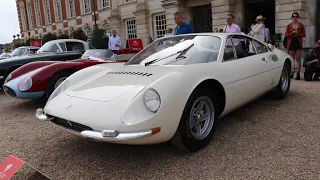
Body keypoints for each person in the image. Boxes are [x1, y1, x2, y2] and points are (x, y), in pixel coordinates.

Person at [285, 12, 306, 80]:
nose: (295, 18)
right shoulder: (289, 25)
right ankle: (291, 73)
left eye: (296, 16)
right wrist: (292, 33)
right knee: (291, 59)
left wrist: (298, 34)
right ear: (292, 17)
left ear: (298, 17)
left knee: (298, 59)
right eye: (293, 16)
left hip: (298, 43)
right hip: (291, 44)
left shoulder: (301, 25)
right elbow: (286, 35)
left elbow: (304, 34)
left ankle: (298, 73)